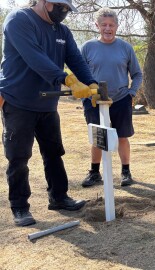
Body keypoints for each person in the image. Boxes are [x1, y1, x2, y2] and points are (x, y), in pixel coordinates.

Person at [0, 0, 98, 227]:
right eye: (58, 6)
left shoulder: (61, 31)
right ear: (43, 1)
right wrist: (67, 80)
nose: (63, 11)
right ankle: (20, 206)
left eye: (66, 8)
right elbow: (35, 58)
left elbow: (75, 58)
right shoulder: (19, 20)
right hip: (18, 101)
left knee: (54, 152)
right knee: (19, 157)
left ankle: (59, 197)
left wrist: (92, 84)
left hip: (47, 103)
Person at [80, 7, 143, 188]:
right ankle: (94, 173)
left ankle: (125, 172)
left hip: (121, 99)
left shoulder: (125, 48)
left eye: (111, 25)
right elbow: (79, 73)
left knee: (122, 136)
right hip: (94, 101)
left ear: (117, 26)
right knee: (98, 137)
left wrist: (131, 93)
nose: (108, 29)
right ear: (97, 26)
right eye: (104, 25)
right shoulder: (87, 47)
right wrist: (85, 92)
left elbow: (137, 74)